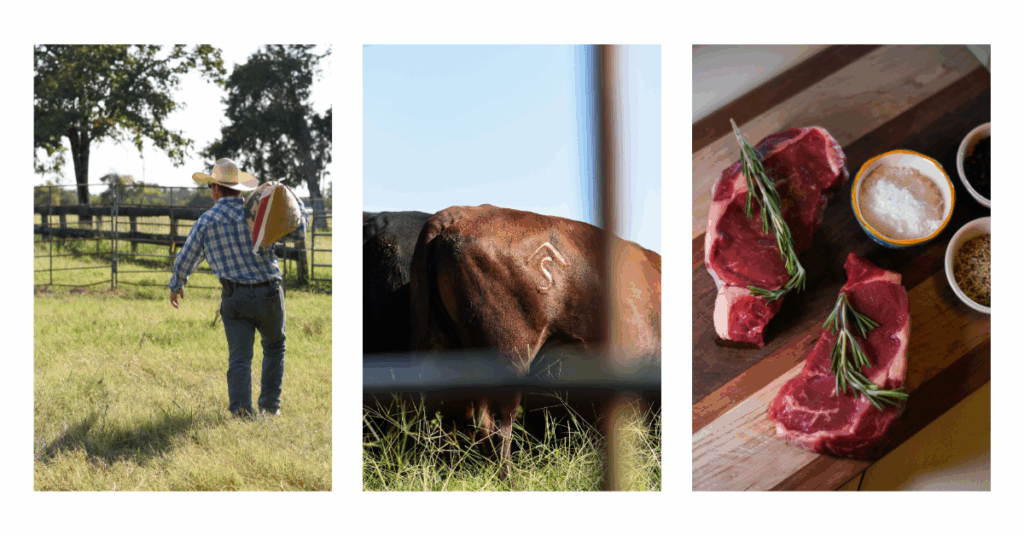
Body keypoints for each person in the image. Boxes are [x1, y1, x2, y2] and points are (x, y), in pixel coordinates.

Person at [168, 158, 306, 418]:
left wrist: (177, 284)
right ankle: (269, 409)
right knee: (274, 348)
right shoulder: (258, 214)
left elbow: (187, 257)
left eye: (211, 186)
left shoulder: (207, 221)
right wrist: (296, 204)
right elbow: (299, 234)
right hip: (269, 292)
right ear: (239, 188)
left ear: (216, 189)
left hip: (234, 296)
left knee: (240, 357)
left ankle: (241, 413)